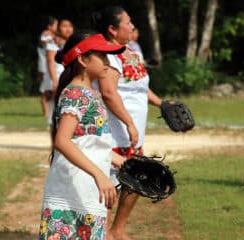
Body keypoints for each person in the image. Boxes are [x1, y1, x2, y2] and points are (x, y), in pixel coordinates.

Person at [38, 31, 127, 240]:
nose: (108, 62)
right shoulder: (76, 93)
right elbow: (62, 140)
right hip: (72, 191)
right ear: (83, 59)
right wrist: (99, 174)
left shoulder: (91, 93)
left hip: (86, 189)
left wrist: (123, 162)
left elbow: (88, 140)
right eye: (102, 57)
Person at [91, 6, 163, 240]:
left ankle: (117, 230)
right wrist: (129, 123)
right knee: (110, 188)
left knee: (135, 181)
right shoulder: (109, 56)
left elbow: (140, 88)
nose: (132, 26)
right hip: (115, 135)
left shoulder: (129, 51)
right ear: (112, 29)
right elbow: (109, 92)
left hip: (132, 135)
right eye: (127, 22)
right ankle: (101, 233)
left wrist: (162, 104)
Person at [44, 18, 74, 126]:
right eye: (64, 26)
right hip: (57, 75)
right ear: (58, 29)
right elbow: (50, 61)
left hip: (69, 76)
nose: (67, 29)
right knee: (55, 103)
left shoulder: (73, 42)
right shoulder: (54, 42)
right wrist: (54, 81)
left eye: (69, 26)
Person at [37, 16, 57, 119]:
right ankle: (45, 113)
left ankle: (50, 111)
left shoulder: (51, 36)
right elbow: (45, 42)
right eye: (55, 25)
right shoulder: (46, 35)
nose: (56, 27)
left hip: (48, 66)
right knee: (46, 90)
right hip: (45, 66)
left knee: (49, 90)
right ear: (49, 26)